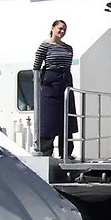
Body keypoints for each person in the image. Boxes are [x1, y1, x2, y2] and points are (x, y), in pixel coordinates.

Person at [33, 20, 77, 156]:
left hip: (65, 81)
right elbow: (36, 67)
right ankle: (45, 150)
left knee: (67, 116)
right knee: (49, 117)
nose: (62, 32)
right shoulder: (44, 46)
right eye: (60, 28)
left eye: (64, 29)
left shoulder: (68, 48)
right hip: (51, 82)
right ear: (52, 28)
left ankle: (66, 153)